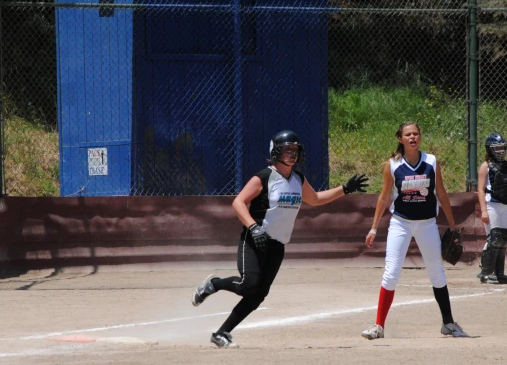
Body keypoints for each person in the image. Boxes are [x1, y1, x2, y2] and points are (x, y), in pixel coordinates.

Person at [191, 130, 368, 348]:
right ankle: (214, 284)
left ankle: (221, 333)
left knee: (258, 295)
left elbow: (315, 199)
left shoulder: (297, 179)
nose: (292, 154)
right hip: (254, 240)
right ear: (276, 152)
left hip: (277, 245)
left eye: (295, 150)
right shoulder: (264, 177)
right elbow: (238, 202)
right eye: (287, 149)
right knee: (248, 285)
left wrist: (345, 189)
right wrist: (254, 227)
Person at [361, 121, 469, 340]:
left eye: (416, 134)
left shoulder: (431, 161)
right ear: (400, 139)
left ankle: (448, 323)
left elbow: (441, 192)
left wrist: (452, 224)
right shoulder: (392, 164)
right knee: (391, 272)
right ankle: (379, 326)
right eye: (407, 134)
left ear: (420, 137)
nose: (412, 137)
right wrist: (373, 228)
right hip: (400, 223)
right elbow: (384, 196)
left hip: (427, 223)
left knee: (436, 272)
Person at [476, 133, 507, 284]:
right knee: (493, 238)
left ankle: (500, 273)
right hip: (492, 205)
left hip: (506, 206)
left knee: (503, 240)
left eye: (502, 148)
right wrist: (483, 210)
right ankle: (487, 272)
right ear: (490, 149)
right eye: (497, 148)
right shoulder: (485, 166)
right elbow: (480, 189)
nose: (500, 151)